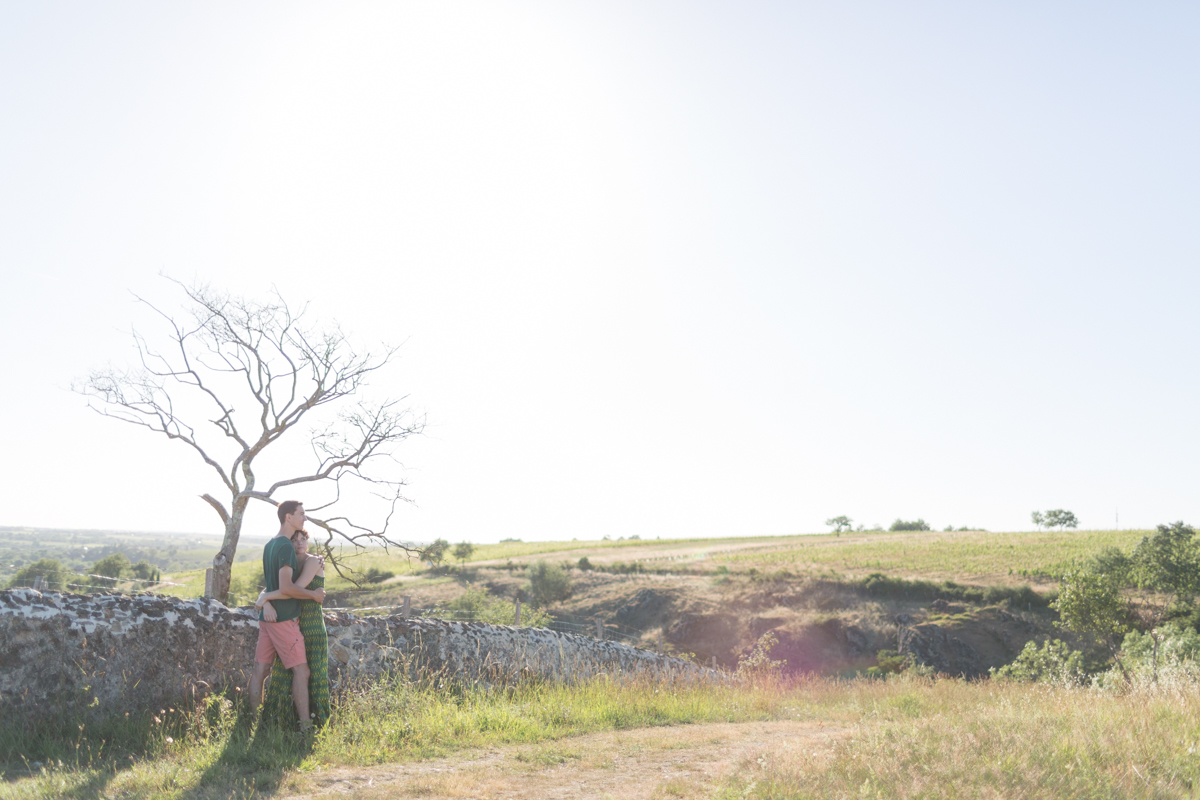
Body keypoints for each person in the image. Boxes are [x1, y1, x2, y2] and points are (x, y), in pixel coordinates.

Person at [247, 501, 325, 731]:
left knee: (260, 670)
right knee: (302, 671)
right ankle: (305, 726)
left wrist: (265, 601)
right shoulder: (285, 547)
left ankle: (254, 723)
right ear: (288, 517)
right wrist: (313, 595)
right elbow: (287, 588)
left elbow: (271, 586)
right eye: (301, 514)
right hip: (283, 620)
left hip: (267, 619)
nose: (305, 517)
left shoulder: (271, 544)